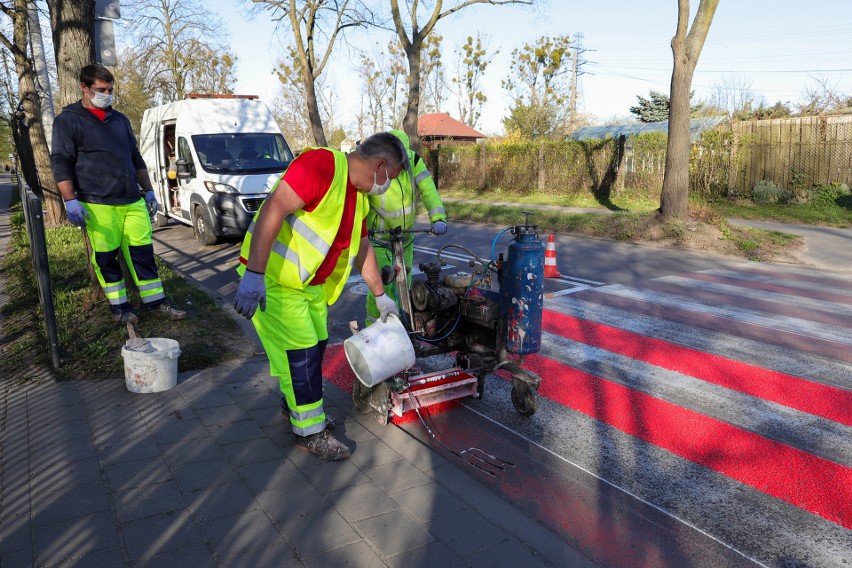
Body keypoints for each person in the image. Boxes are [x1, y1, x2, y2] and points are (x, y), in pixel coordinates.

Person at [233, 132, 404, 461]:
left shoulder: (359, 197)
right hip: (275, 282)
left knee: (313, 349)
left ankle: (296, 407)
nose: (388, 185)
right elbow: (274, 208)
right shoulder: (321, 166)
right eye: (391, 178)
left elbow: (362, 247)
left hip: (308, 288)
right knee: (303, 356)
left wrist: (380, 296)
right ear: (380, 165)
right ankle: (310, 431)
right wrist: (254, 273)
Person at [51, 64, 186, 324]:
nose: (107, 94)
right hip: (97, 203)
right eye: (101, 90)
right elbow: (61, 161)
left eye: (110, 89)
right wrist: (70, 200)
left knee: (143, 254)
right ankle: (121, 309)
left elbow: (135, 158)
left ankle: (156, 303)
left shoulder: (120, 120)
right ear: (84, 87)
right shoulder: (68, 120)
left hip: (131, 199)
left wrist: (148, 190)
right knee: (106, 258)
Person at [365, 129, 447, 324]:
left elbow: (428, 190)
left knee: (404, 284)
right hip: (380, 240)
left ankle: (401, 326)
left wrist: (438, 218)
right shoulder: (377, 163)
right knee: (381, 285)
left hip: (405, 239)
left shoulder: (413, 162)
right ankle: (373, 327)